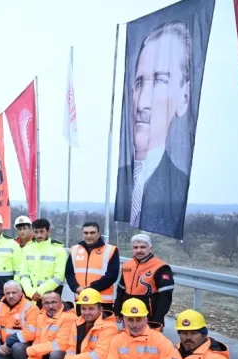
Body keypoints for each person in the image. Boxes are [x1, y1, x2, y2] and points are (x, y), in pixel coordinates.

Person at [115, 22, 194, 238]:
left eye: (159, 80)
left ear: (184, 97)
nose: (142, 103)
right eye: (139, 83)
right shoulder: (121, 178)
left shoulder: (177, 184)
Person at [114, 233, 174, 327]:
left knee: (148, 341)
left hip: (149, 316)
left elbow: (165, 297)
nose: (139, 250)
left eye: (143, 247)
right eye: (135, 247)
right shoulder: (127, 265)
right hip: (128, 312)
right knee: (127, 339)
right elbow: (121, 289)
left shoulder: (161, 267)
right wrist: (117, 310)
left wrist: (157, 318)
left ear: (150, 248)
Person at [21, 291, 76, 359]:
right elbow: (37, 340)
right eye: (46, 303)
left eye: (54, 302)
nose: (50, 306)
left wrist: (32, 350)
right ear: (42, 304)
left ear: (61, 302)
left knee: (55, 354)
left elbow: (61, 344)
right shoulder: (41, 316)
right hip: (44, 354)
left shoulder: (69, 317)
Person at [65, 222, 120, 313]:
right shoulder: (74, 249)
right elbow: (69, 273)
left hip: (102, 301)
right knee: (81, 326)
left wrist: (91, 288)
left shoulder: (110, 250)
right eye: (86, 233)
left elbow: (112, 275)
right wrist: (75, 288)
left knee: (103, 327)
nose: (89, 236)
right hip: (82, 299)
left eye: (92, 233)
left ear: (98, 233)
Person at [18, 218, 67, 306]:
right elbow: (23, 274)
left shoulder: (59, 250)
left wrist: (39, 292)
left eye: (42, 232)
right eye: (36, 232)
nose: (39, 235)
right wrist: (30, 292)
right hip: (30, 296)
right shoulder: (26, 249)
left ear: (49, 231)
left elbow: (59, 277)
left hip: (51, 297)